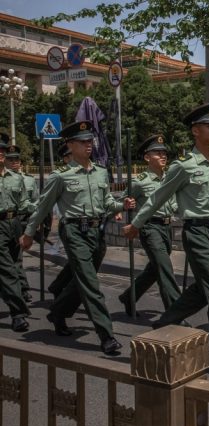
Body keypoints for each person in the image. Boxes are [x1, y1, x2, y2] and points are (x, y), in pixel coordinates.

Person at [123, 103, 209, 379]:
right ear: (195, 131)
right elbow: (157, 198)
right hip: (196, 235)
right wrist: (135, 224)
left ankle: (165, 320)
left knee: (201, 290)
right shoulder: (183, 167)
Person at [20, 121, 135, 354]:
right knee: (91, 284)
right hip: (74, 232)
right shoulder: (60, 176)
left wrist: (120, 204)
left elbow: (106, 203)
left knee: (82, 281)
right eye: (82, 142)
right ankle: (107, 336)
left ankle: (57, 313)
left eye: (89, 141)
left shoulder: (101, 171)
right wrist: (29, 233)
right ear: (70, 145)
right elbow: (43, 208)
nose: (88, 145)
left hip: (96, 231)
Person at [117, 134, 181, 315]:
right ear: (147, 157)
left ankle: (129, 296)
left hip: (167, 228)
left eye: (164, 153)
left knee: (154, 269)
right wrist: (119, 211)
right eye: (157, 153)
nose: (163, 156)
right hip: (149, 228)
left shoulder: (169, 178)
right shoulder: (140, 181)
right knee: (164, 268)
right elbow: (123, 201)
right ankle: (175, 313)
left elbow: (174, 204)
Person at [0, 135, 32, 332]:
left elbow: (24, 204)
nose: (1, 153)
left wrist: (41, 207)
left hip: (14, 223)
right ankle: (18, 313)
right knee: (8, 270)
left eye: (2, 150)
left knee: (13, 264)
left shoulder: (16, 178)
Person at [4, 143, 36, 302]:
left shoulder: (27, 180)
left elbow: (32, 202)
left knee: (16, 258)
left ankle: (22, 289)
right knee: (8, 261)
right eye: (11, 160)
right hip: (5, 221)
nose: (14, 162)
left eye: (17, 159)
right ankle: (17, 293)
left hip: (21, 221)